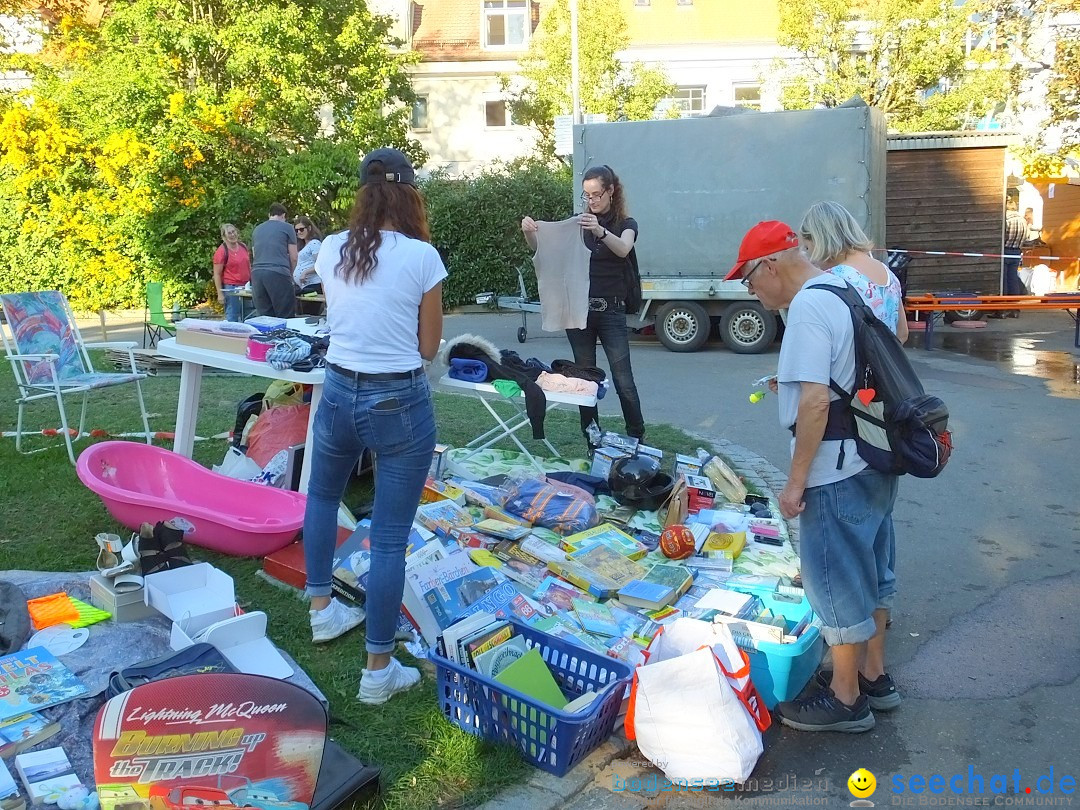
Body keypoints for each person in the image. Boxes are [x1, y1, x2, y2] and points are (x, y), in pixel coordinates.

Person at [726, 221, 900, 734]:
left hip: (837, 465)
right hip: (877, 454)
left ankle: (846, 700)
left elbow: (816, 402)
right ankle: (874, 676)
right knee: (875, 566)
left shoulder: (806, 306)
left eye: (749, 279)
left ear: (770, 264)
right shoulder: (846, 287)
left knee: (834, 579)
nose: (751, 292)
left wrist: (795, 482)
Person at [302, 147, 445, 705]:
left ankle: (321, 611)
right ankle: (378, 670)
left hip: (337, 388)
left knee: (320, 496)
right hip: (398, 399)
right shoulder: (421, 256)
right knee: (389, 539)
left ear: (362, 195)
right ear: (410, 195)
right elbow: (429, 348)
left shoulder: (333, 248)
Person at [520, 164, 645, 447]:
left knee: (623, 379)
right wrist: (530, 232)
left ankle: (637, 437)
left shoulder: (626, 224)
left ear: (611, 191)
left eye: (596, 194)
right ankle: (593, 440)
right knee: (585, 381)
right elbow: (541, 246)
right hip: (579, 312)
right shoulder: (578, 223)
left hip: (612, 311)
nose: (591, 201)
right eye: (586, 196)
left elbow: (624, 249)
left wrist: (600, 231)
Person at [798, 200, 908, 343]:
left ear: (819, 240)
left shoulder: (833, 280)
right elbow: (902, 333)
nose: (811, 258)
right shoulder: (887, 273)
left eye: (807, 248)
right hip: (886, 363)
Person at [251, 203, 298, 318]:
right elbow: (294, 257)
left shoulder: (257, 229)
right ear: (283, 215)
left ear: (269, 215)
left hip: (257, 274)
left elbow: (254, 254)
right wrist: (290, 275)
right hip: (278, 272)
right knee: (285, 315)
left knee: (265, 317)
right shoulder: (287, 227)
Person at [991, 198, 1027, 318]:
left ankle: (1002, 309)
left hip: (1005, 250)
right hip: (1017, 252)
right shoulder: (1023, 220)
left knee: (1003, 281)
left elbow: (1003, 236)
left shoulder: (1006, 220)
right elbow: (1026, 237)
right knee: (1013, 279)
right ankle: (1015, 309)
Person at [211, 223, 251, 322]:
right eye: (229, 233)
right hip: (231, 288)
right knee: (232, 316)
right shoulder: (221, 251)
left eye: (233, 232)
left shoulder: (243, 246)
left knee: (249, 316)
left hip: (246, 286)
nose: (232, 235)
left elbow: (248, 265)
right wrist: (220, 293)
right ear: (224, 236)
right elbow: (217, 274)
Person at [293, 216, 324, 292]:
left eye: (301, 229)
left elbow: (321, 264)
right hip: (304, 285)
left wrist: (305, 272)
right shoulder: (302, 246)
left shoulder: (314, 243)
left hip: (314, 284)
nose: (299, 232)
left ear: (309, 228)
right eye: (296, 230)